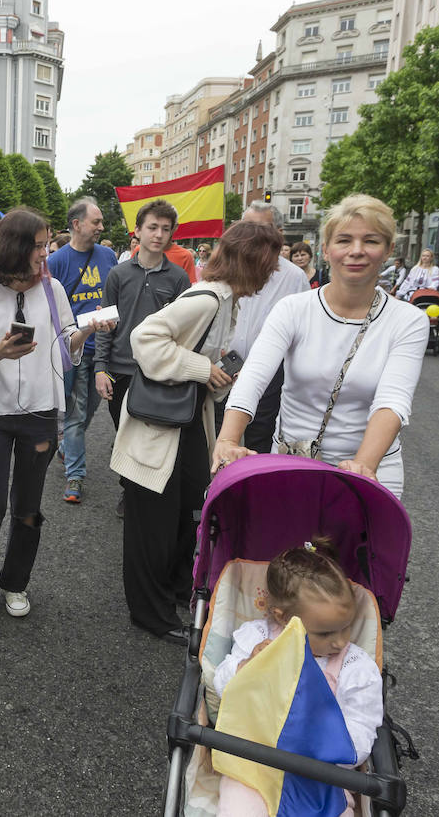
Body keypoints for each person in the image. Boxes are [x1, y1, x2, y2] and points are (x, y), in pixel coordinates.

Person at [111, 220, 281, 644]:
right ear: (252, 262)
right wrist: (203, 369)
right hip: (159, 428)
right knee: (152, 526)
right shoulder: (208, 299)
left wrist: (213, 368)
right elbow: (144, 338)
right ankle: (149, 613)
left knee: (180, 519)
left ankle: (170, 594)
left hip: (182, 426)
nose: (273, 270)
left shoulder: (225, 300)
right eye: (269, 262)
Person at [214, 196, 428, 499]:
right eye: (344, 240)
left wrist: (363, 466)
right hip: (291, 460)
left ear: (389, 250)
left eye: (370, 240)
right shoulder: (292, 308)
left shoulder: (408, 320)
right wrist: (228, 438)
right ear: (326, 250)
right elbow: (254, 377)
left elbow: (392, 401)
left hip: (369, 469)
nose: (356, 251)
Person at [0, 209, 108, 621]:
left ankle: (15, 583)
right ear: (15, 247)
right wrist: (0, 352)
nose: (46, 253)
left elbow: (65, 346)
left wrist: (88, 329)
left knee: (28, 507)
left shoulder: (53, 289)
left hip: (42, 412)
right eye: (39, 246)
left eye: (47, 244)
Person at [213, 538, 382, 817]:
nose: (340, 642)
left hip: (320, 778)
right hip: (253, 766)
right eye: (326, 633)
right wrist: (247, 667)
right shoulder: (258, 639)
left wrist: (318, 741)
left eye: (346, 627)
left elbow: (362, 733)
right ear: (282, 617)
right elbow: (222, 687)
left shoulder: (355, 666)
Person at [95, 201, 191, 435]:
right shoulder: (118, 274)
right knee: (122, 440)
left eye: (166, 229)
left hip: (160, 373)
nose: (159, 234)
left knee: (152, 443)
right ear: (138, 231)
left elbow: (185, 331)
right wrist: (100, 369)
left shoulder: (179, 278)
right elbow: (106, 324)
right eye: (153, 227)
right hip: (119, 371)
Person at [218, 204, 309, 455]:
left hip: (270, 373)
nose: (252, 236)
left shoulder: (294, 277)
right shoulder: (226, 267)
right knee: (218, 432)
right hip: (224, 364)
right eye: (246, 228)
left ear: (277, 233)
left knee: (260, 435)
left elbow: (302, 332)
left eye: (261, 229)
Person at [47, 196, 117, 503]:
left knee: (89, 409)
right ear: (77, 224)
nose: (102, 227)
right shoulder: (56, 262)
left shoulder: (108, 256)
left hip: (103, 350)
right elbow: (49, 309)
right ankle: (75, 476)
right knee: (75, 414)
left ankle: (65, 448)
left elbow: (116, 298)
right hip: (73, 351)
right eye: (96, 221)